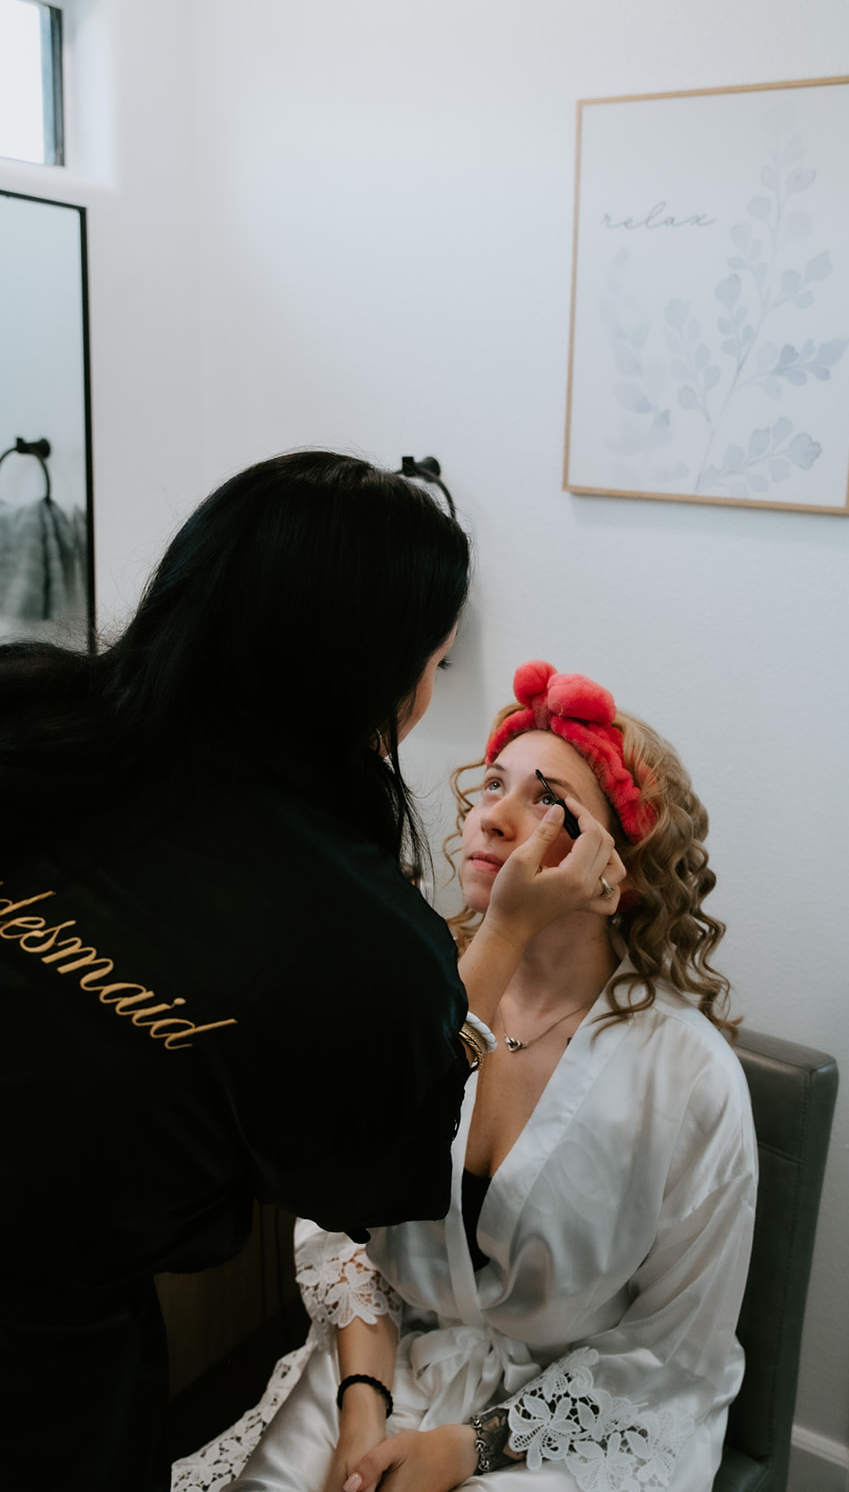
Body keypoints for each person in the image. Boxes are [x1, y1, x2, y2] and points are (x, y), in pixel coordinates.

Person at [0, 463, 623, 1492]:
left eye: (547, 797)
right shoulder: (359, 942)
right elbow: (370, 1155)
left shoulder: (28, 711)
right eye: (436, 662)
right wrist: (503, 934)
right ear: (383, 677)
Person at [174, 660, 758, 1492]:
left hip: (579, 1418)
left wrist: (464, 1449)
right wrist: (364, 1411)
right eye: (492, 784)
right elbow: (342, 1224)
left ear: (614, 874)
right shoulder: (410, 996)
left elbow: (674, 1350)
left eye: (547, 800)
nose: (492, 817)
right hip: (383, 1366)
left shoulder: (687, 1077)